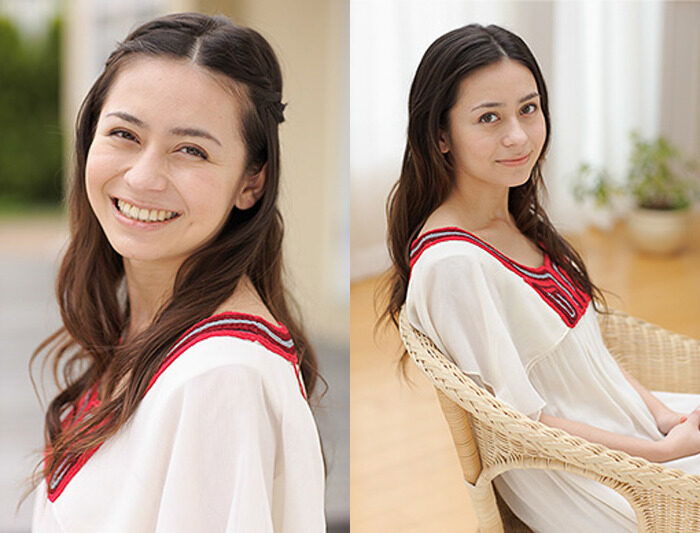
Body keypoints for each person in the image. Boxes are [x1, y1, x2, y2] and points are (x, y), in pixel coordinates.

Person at [383, 23, 700, 532]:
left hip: (630, 431)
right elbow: (524, 422)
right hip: (583, 477)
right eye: (489, 117)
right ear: (440, 135)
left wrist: (664, 417)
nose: (518, 135)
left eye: (528, 109)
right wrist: (658, 453)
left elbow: (587, 355)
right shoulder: (454, 265)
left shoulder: (511, 216)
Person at [29, 13, 325, 532]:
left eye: (191, 150)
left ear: (251, 182)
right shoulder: (154, 330)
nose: (143, 177)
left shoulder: (219, 377)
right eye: (124, 133)